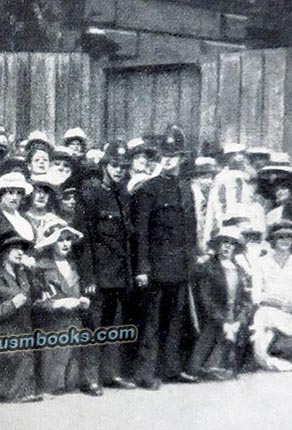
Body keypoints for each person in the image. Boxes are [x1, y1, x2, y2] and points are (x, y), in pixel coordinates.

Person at [132, 126, 200, 388]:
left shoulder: (185, 189)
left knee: (175, 320)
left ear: (182, 158)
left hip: (180, 267)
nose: (169, 159)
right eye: (164, 155)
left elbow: (191, 231)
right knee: (150, 321)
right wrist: (143, 267)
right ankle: (145, 372)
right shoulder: (149, 189)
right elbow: (141, 233)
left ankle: (170, 368)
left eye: (174, 155)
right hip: (156, 267)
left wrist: (191, 263)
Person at [74, 140, 137, 396]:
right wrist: (88, 275)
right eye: (114, 165)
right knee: (94, 327)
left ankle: (109, 374)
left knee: (113, 327)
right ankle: (89, 378)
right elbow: (84, 239)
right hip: (99, 274)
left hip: (119, 274)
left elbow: (126, 239)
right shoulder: (90, 195)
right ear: (104, 166)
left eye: (123, 166)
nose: (119, 170)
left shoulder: (123, 195)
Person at [0, 232, 39, 402]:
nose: (20, 253)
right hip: (1, 336)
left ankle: (23, 391)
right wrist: (11, 305)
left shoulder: (24, 274)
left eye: (22, 250)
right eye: (15, 249)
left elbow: (36, 297)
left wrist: (33, 271)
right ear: (4, 252)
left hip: (22, 336)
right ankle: (3, 392)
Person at [31, 221, 89, 396]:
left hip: (73, 323)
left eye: (68, 239)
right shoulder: (40, 267)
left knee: (71, 379)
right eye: (60, 240)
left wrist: (82, 301)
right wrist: (57, 304)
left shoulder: (74, 264)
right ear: (51, 243)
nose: (66, 244)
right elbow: (35, 300)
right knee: (52, 378)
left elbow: (78, 291)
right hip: (52, 324)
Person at [188, 228, 251, 380]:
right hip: (214, 316)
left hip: (235, 317)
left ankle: (232, 365)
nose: (227, 247)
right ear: (217, 245)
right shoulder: (208, 268)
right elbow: (206, 299)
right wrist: (223, 322)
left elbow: (245, 300)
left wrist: (239, 320)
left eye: (232, 244)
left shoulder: (240, 270)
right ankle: (203, 366)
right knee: (211, 333)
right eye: (224, 242)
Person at [249, 220, 292, 372]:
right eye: (281, 237)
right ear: (273, 240)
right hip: (272, 311)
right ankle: (267, 360)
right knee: (261, 316)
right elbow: (256, 296)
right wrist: (278, 304)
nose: (285, 241)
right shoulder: (261, 263)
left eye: (289, 237)